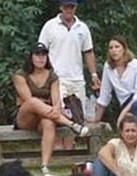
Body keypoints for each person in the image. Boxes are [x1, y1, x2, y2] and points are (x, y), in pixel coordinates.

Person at [13, 43, 88, 176]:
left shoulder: (52, 76)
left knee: (48, 123)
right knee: (33, 102)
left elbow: (56, 101)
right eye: (37, 54)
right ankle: (72, 124)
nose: (41, 58)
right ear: (31, 57)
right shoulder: (20, 75)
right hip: (26, 116)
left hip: (46, 116)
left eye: (44, 55)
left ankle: (45, 166)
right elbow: (28, 99)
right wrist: (47, 105)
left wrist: (56, 107)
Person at [38, 0, 100, 144]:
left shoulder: (82, 28)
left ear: (75, 7)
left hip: (77, 79)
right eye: (66, 6)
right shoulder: (50, 26)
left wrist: (94, 74)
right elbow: (41, 51)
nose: (69, 9)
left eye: (71, 6)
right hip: (56, 79)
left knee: (78, 116)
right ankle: (58, 149)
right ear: (61, 7)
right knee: (59, 113)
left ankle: (69, 150)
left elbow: (88, 52)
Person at [94, 36, 137, 140]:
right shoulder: (108, 67)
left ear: (124, 49)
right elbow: (104, 95)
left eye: (117, 47)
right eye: (111, 48)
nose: (114, 50)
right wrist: (96, 120)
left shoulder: (136, 65)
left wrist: (123, 113)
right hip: (128, 104)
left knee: (136, 108)